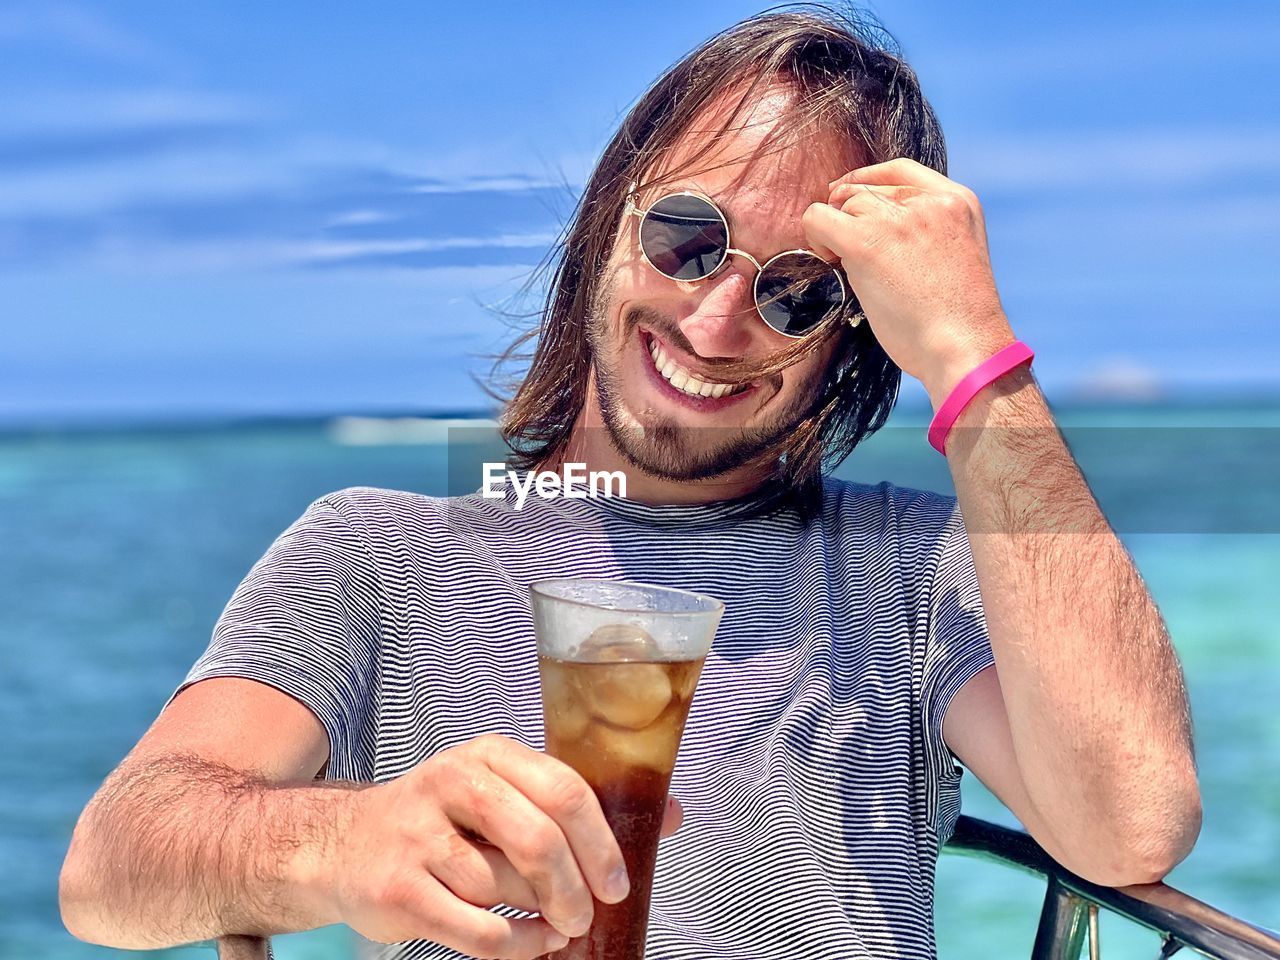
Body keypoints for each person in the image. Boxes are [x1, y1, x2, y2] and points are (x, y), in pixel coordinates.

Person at [59, 8, 1202, 960]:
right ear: (607, 225)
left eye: (797, 292)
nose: (714, 323)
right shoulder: (378, 551)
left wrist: (972, 357)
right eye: (686, 238)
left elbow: (1128, 824)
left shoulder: (910, 568)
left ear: (848, 339)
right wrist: (344, 845)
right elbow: (111, 869)